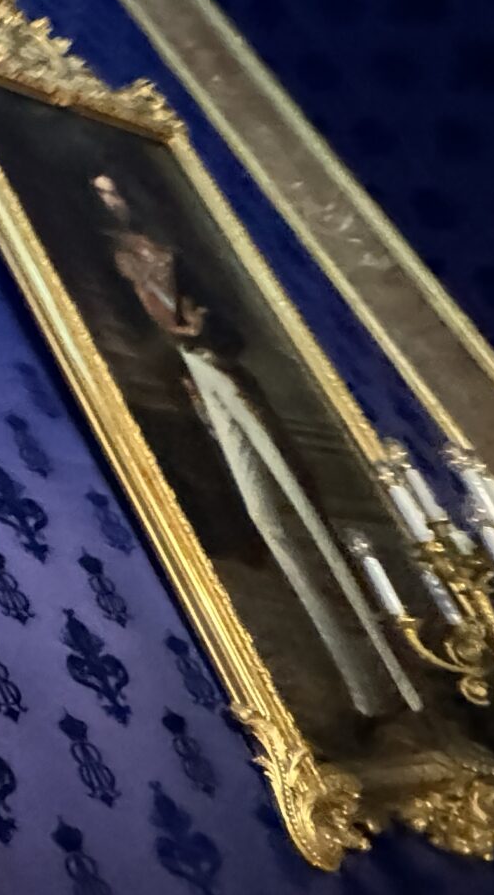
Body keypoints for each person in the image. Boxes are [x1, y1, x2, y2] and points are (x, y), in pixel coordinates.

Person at [91, 170, 416, 718]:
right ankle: (359, 688)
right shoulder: (107, 266)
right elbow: (122, 342)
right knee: (265, 521)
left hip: (225, 374)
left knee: (305, 513)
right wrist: (171, 346)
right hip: (183, 388)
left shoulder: (171, 251)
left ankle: (392, 665)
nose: (113, 201)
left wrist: (202, 329)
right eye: (102, 194)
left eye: (116, 189)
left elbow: (228, 324)